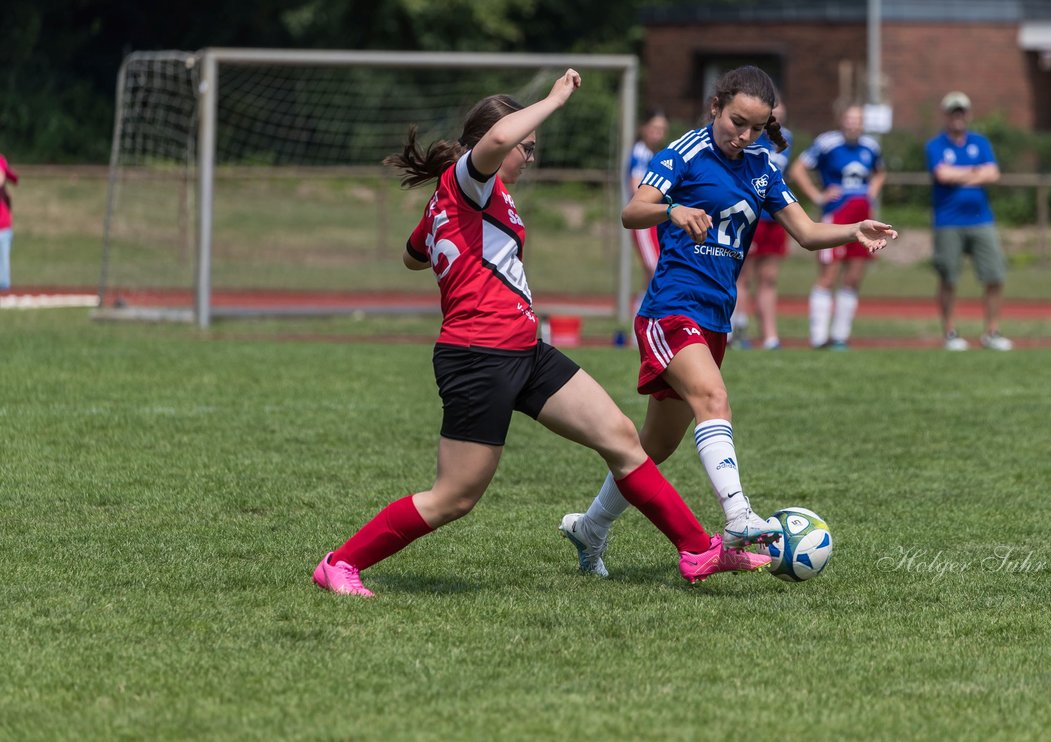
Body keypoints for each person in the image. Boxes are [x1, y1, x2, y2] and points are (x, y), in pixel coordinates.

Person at [312, 70, 771, 597]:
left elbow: (414, 256)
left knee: (621, 439)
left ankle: (697, 551)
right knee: (454, 497)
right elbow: (498, 141)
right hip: (477, 356)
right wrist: (553, 99)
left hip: (524, 350)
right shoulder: (469, 179)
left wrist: (453, 252)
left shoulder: (461, 196)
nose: (527, 156)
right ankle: (340, 563)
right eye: (524, 148)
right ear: (491, 143)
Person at [559, 66, 897, 576]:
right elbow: (633, 212)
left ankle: (590, 529)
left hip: (714, 319)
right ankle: (737, 515)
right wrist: (670, 210)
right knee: (713, 400)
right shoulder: (684, 152)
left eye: (755, 128)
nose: (742, 135)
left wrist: (853, 229)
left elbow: (804, 232)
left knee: (652, 447)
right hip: (671, 309)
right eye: (736, 122)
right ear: (716, 107)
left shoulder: (761, 167)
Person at [787, 103, 886, 350]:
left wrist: (871, 193)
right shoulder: (827, 143)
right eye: (849, 119)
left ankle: (840, 336)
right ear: (841, 120)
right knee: (828, 275)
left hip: (863, 216)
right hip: (836, 216)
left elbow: (880, 172)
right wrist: (818, 196)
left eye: (858, 119)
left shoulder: (870, 146)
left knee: (853, 276)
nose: (854, 124)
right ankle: (819, 337)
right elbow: (798, 169)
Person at [925, 91, 1013, 351]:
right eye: (953, 112)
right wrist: (976, 172)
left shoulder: (980, 142)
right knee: (949, 278)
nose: (958, 117)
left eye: (961, 112)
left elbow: (994, 173)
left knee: (994, 275)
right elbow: (942, 175)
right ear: (945, 115)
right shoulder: (935, 145)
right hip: (948, 221)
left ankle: (992, 332)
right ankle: (950, 333)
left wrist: (960, 175)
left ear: (968, 114)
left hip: (982, 220)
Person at [732, 100, 794, 349]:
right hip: (750, 215)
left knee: (769, 277)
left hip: (776, 217)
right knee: (742, 275)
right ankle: (739, 331)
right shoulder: (749, 136)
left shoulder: (786, 138)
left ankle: (769, 335)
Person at [628, 109, 671, 284]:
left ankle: (644, 308)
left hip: (655, 220)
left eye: (662, 129)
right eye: (654, 127)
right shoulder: (640, 153)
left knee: (654, 271)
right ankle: (645, 310)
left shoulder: (655, 154)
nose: (658, 133)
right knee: (656, 270)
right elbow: (636, 188)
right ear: (644, 128)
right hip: (644, 221)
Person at [0, 153, 17, 291]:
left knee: (4, 261)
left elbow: (14, 178)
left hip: (4, 229)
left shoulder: (4, 195)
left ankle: (4, 289)